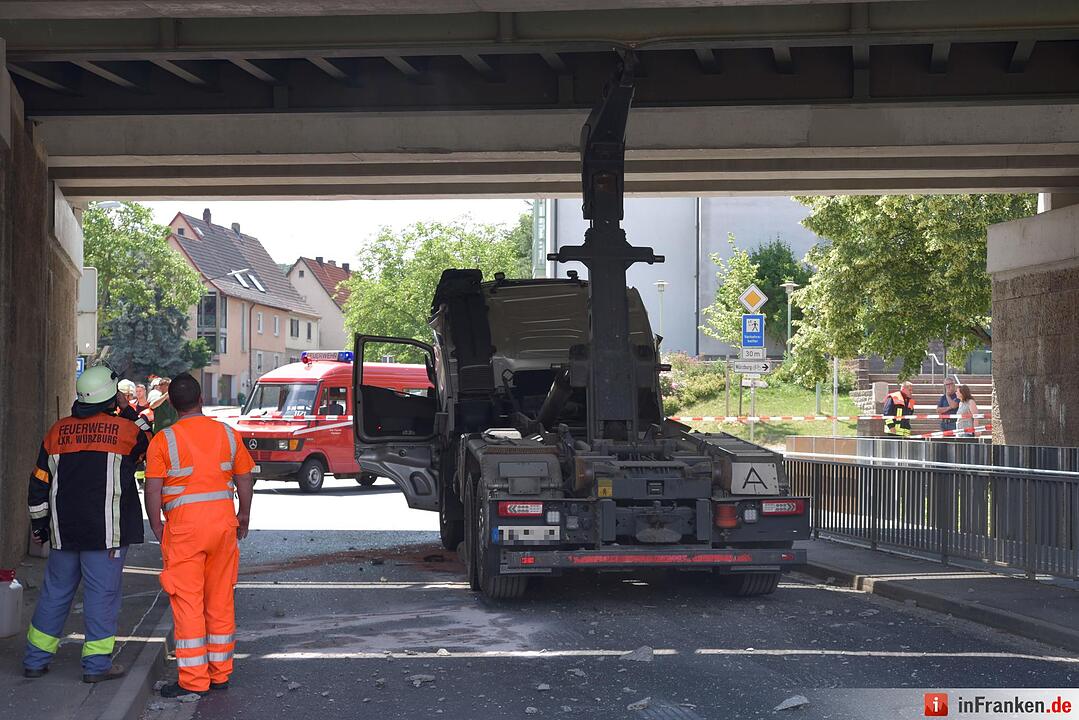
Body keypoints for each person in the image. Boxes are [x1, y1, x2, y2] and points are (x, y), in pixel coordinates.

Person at [24, 364, 151, 682]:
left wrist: (40, 527)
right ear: (112, 399)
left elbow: (38, 483)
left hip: (64, 532)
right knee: (101, 596)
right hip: (106, 534)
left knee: (54, 593)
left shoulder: (57, 431)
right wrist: (127, 410)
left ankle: (35, 660)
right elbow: (148, 443)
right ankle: (96, 667)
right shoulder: (126, 431)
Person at [143, 373, 255, 697]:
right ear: (201, 400)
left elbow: (153, 488)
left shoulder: (163, 440)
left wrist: (156, 524)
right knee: (220, 600)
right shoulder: (228, 434)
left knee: (188, 602)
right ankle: (221, 674)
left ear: (173, 405)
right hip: (222, 527)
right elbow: (245, 479)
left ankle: (194, 680)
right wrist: (243, 516)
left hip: (183, 531)